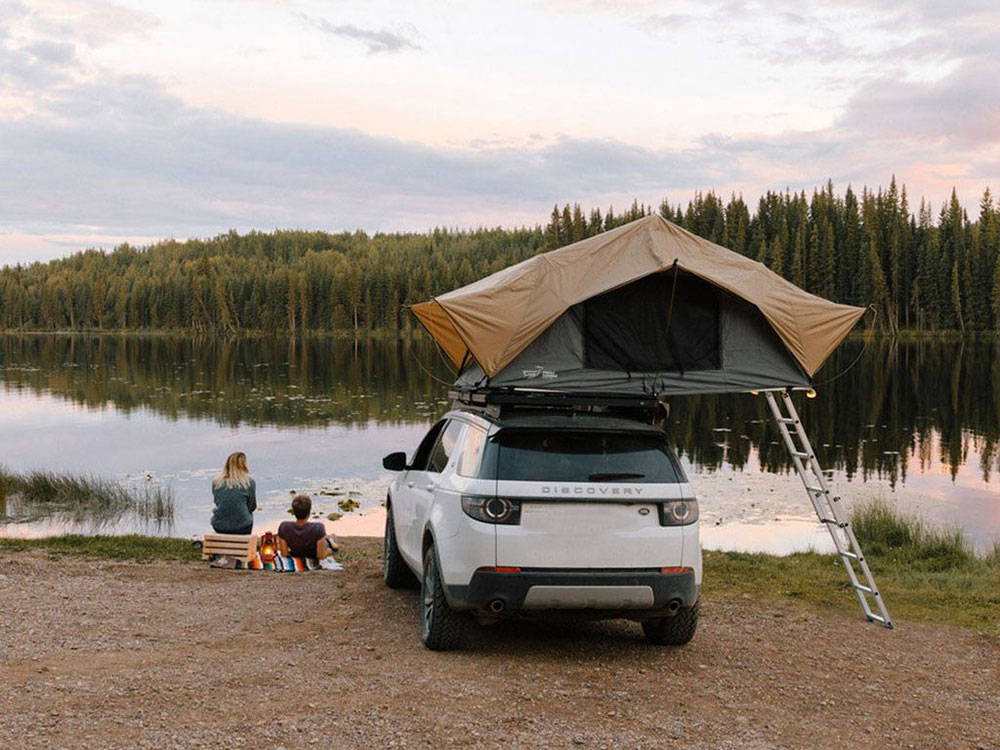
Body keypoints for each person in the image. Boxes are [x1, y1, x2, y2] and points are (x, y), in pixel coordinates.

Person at [278, 495, 339, 561]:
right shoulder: (318, 527)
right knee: (332, 540)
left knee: (326, 538)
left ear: (293, 512)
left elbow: (284, 554)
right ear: (309, 511)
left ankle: (330, 540)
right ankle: (331, 541)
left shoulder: (284, 527)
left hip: (296, 552)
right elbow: (321, 556)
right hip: (314, 552)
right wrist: (330, 551)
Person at [210, 452, 257, 535]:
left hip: (219, 525)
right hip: (242, 527)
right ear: (243, 465)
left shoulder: (216, 482)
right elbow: (252, 506)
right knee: (248, 515)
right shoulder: (249, 482)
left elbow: (217, 502)